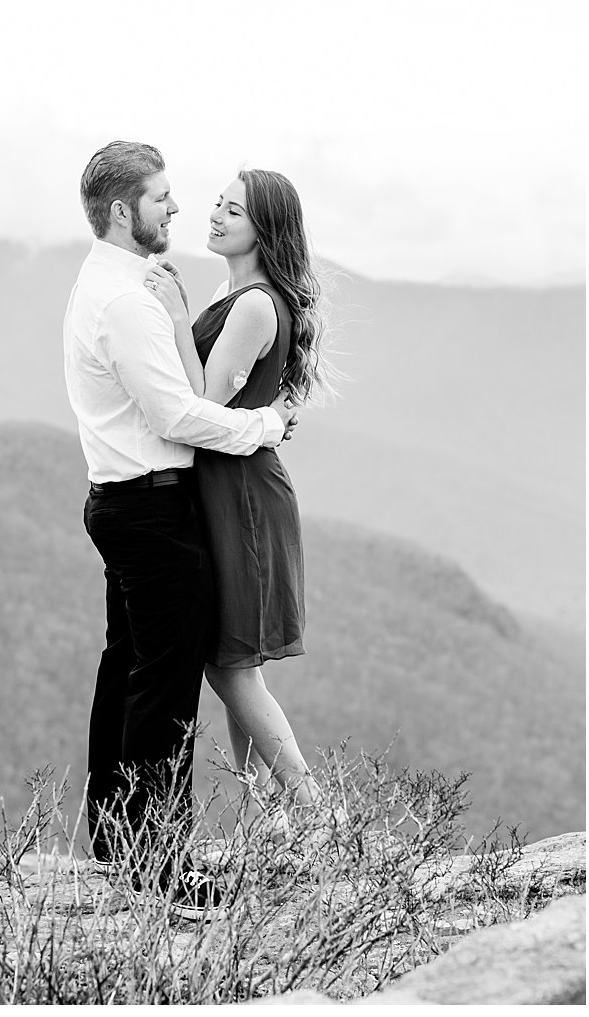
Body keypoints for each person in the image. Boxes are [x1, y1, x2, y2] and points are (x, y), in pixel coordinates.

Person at [65, 141, 296, 918]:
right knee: (163, 686)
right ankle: (160, 863)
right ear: (126, 210)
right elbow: (178, 414)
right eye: (162, 197)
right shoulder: (129, 300)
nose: (177, 207)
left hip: (124, 499)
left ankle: (116, 837)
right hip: (152, 507)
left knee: (128, 666)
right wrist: (263, 425)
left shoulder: (104, 282)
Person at [142, 168, 331, 824]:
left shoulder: (253, 304)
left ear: (264, 229)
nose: (216, 216)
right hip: (229, 485)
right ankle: (267, 820)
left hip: (240, 497)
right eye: (218, 205)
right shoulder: (241, 293)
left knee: (229, 667)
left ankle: (312, 810)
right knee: (234, 660)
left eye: (234, 211)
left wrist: (171, 317)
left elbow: (203, 401)